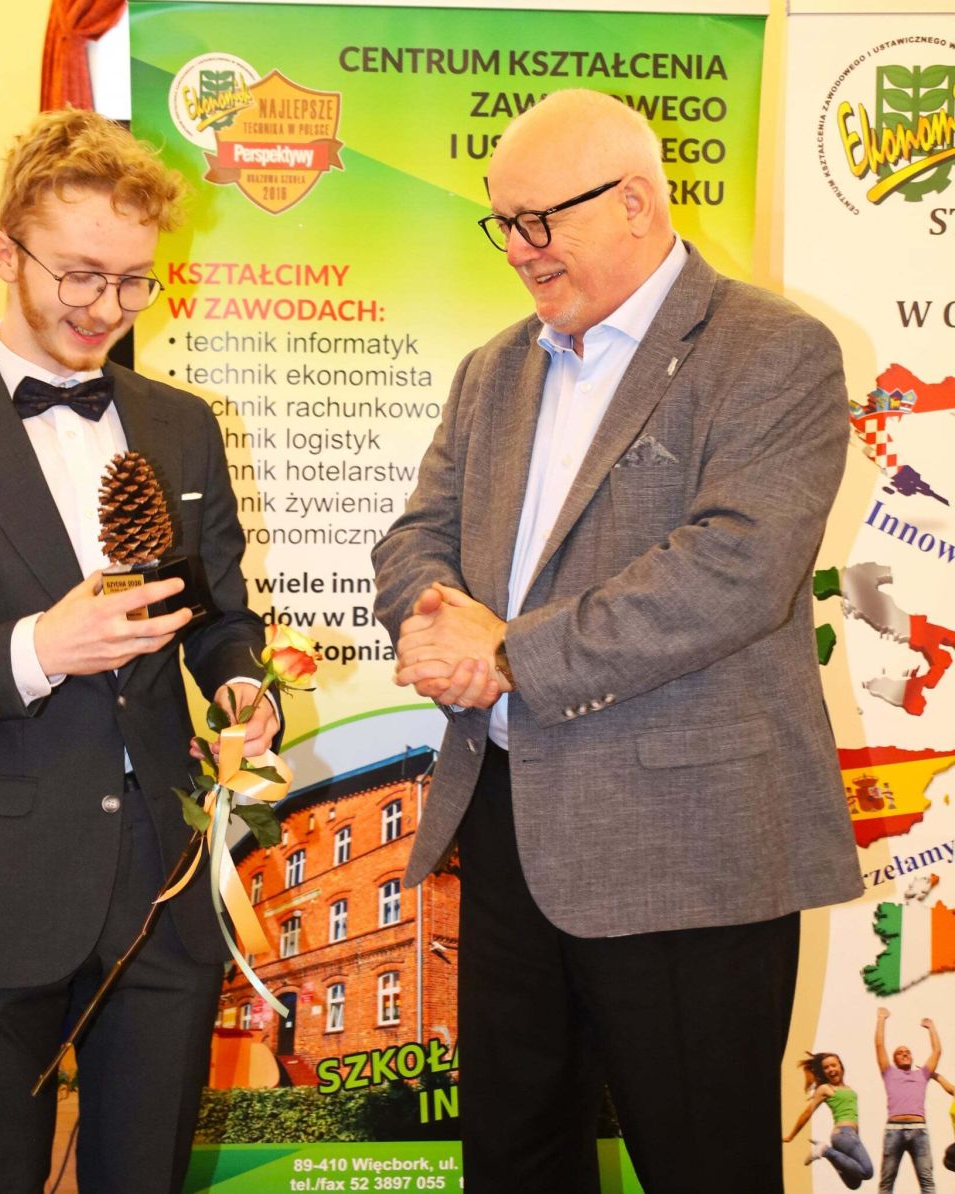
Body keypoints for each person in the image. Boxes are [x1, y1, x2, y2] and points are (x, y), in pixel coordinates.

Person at [371, 88, 862, 1194]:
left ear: (636, 203)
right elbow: (415, 536)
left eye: (539, 221)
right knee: (515, 1159)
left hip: (686, 844)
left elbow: (733, 569)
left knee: (705, 1165)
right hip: (507, 826)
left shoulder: (772, 350)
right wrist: (434, 617)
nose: (518, 250)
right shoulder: (493, 369)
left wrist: (509, 655)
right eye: (503, 223)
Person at [0, 109, 277, 1194]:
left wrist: (240, 684)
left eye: (133, 282)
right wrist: (40, 647)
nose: (106, 309)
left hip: (163, 887)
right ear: (4, 253)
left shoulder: (183, 425)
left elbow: (219, 615)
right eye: (79, 275)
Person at [784, 1052, 874, 1187]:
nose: (830, 1069)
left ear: (841, 1067)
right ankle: (825, 1151)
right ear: (823, 1072)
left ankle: (828, 1153)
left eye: (833, 1065)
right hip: (843, 1134)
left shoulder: (848, 1088)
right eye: (826, 1068)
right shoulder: (825, 1088)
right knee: (867, 1172)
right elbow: (807, 1112)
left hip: (851, 1136)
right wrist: (791, 1135)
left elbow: (854, 1118)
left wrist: (857, 1137)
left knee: (854, 1183)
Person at [875, 1009, 940, 1193]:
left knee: (927, 1181)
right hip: (894, 1130)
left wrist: (931, 1028)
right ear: (894, 1059)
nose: (904, 1054)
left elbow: (937, 1051)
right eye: (899, 1053)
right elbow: (879, 1045)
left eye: (907, 1052)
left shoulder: (922, 1074)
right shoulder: (889, 1073)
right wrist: (881, 1019)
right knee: (886, 1181)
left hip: (919, 1130)